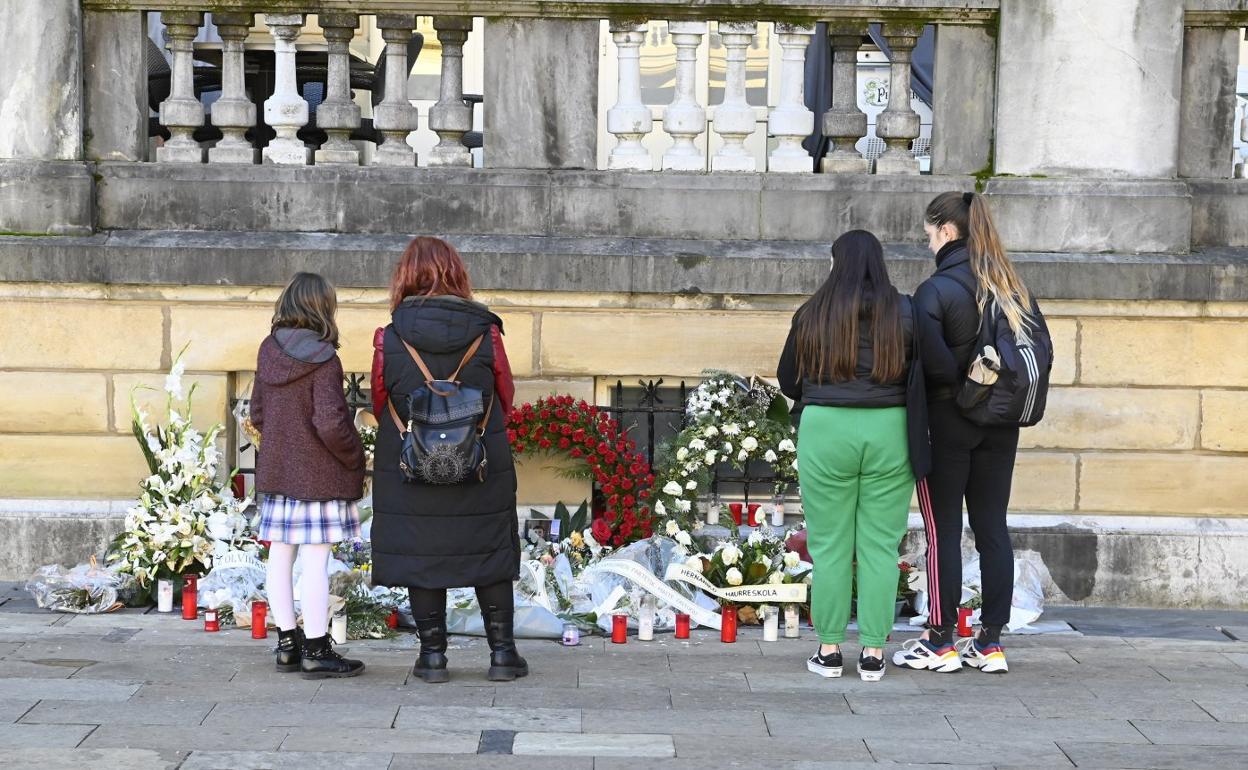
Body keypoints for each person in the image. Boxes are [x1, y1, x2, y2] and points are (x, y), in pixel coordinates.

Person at [369, 236, 524, 684]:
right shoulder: (487, 333)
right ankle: (502, 656)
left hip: (413, 464)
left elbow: (382, 401)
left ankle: (432, 658)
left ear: (404, 277)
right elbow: (506, 396)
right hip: (479, 460)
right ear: (457, 274)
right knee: (489, 550)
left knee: (423, 552)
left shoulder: (390, 336)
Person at [894, 191, 1036, 675]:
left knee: (943, 530)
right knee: (993, 528)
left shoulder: (937, 289)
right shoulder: (1010, 286)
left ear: (947, 232)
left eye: (929, 231)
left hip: (948, 422)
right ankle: (990, 640)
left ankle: (939, 640)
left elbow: (930, 365)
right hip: (1001, 423)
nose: (927, 239)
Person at [777, 230, 923, 682]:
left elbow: (787, 381)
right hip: (890, 427)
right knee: (880, 546)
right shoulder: (905, 310)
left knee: (829, 545)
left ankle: (829, 649)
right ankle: (875, 654)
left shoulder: (813, 312)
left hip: (827, 427)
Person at [251, 272, 366, 679]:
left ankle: (287, 645)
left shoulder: (268, 351)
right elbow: (331, 423)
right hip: (319, 476)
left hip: (279, 472)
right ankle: (317, 649)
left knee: (280, 556)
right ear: (322, 308)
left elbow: (257, 415)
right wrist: (356, 454)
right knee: (316, 562)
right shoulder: (324, 359)